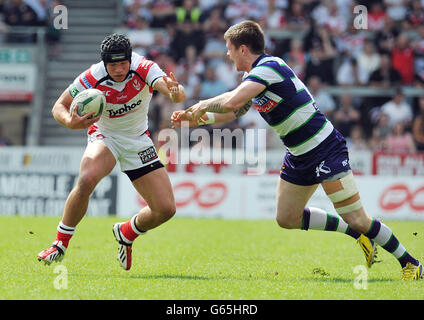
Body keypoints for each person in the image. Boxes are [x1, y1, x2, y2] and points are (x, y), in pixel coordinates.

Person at [171, 20, 422, 280]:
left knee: (358, 217)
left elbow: (232, 100)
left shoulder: (270, 67)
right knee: (287, 218)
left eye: (229, 48)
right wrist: (196, 119)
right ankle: (355, 235)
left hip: (324, 149)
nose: (227, 54)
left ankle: (411, 263)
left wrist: (201, 104)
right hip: (298, 154)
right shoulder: (252, 77)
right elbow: (235, 110)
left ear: (243, 49)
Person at [37, 34, 186, 271]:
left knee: (165, 209)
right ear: (104, 63)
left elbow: (166, 87)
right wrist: (70, 122)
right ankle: (59, 244)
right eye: (112, 65)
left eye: (122, 63)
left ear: (130, 59)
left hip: (138, 141)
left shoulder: (143, 67)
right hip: (105, 136)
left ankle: (127, 232)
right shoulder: (93, 76)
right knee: (87, 178)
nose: (118, 69)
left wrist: (174, 92)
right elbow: (59, 106)